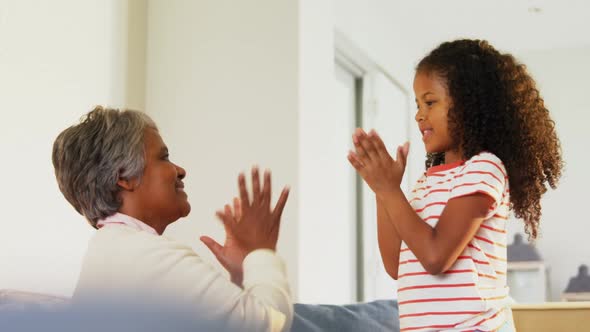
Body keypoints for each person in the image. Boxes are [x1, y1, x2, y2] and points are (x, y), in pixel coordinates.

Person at [347, 39, 563, 331]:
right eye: (418, 104)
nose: (419, 114)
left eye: (430, 102)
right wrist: (382, 192)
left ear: (468, 104)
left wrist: (390, 191)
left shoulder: (484, 168)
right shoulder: (426, 183)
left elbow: (436, 257)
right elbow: (394, 265)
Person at [52, 106, 293, 332]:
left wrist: (242, 275)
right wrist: (261, 253)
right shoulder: (147, 255)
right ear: (124, 176)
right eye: (164, 157)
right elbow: (270, 324)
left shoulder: (112, 249)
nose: (180, 170)